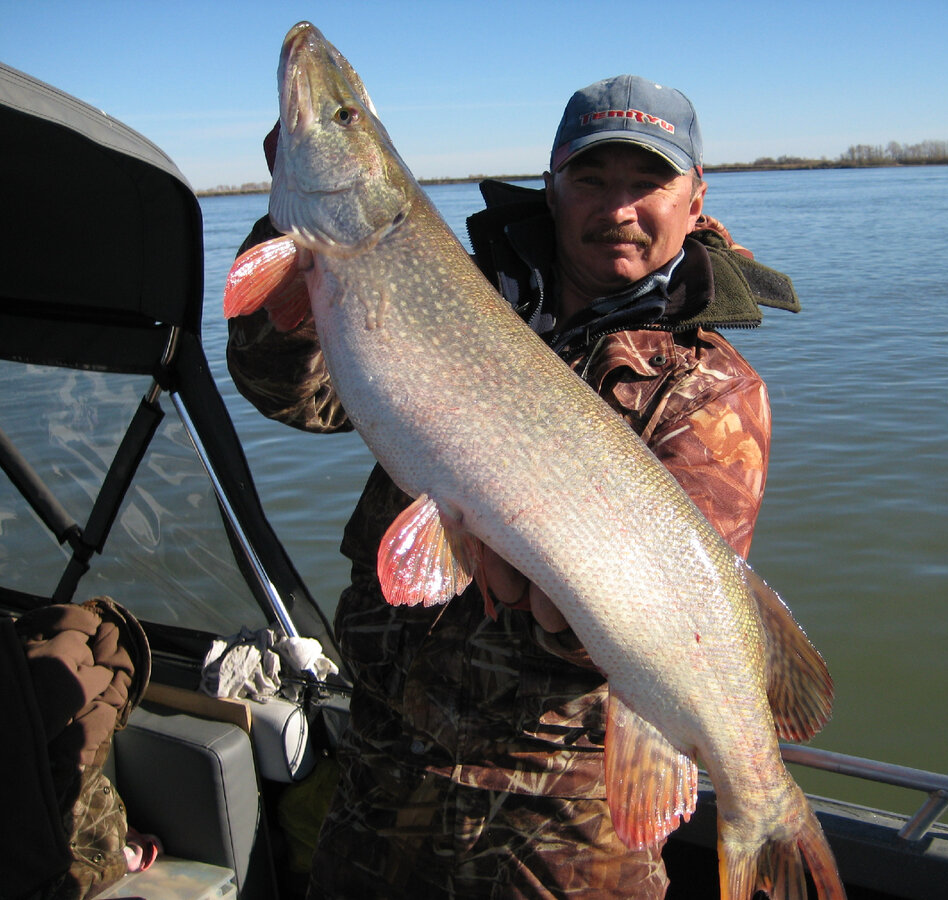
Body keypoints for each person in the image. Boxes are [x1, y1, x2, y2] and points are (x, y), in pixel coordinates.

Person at [227, 74, 800, 899]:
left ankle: (766, 807)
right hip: (382, 773)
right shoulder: (445, 288)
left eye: (649, 183)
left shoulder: (710, 389)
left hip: (557, 829)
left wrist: (543, 579)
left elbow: (658, 622)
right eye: (593, 180)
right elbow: (299, 391)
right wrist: (291, 225)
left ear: (696, 195)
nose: (619, 208)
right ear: (553, 184)